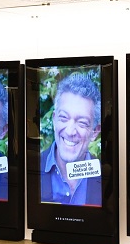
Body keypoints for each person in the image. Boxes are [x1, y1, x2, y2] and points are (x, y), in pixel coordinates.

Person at [40, 73, 102, 206]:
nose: (70, 131)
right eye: (64, 118)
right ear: (54, 120)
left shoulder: (108, 179)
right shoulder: (30, 168)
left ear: (95, 131)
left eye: (82, 123)